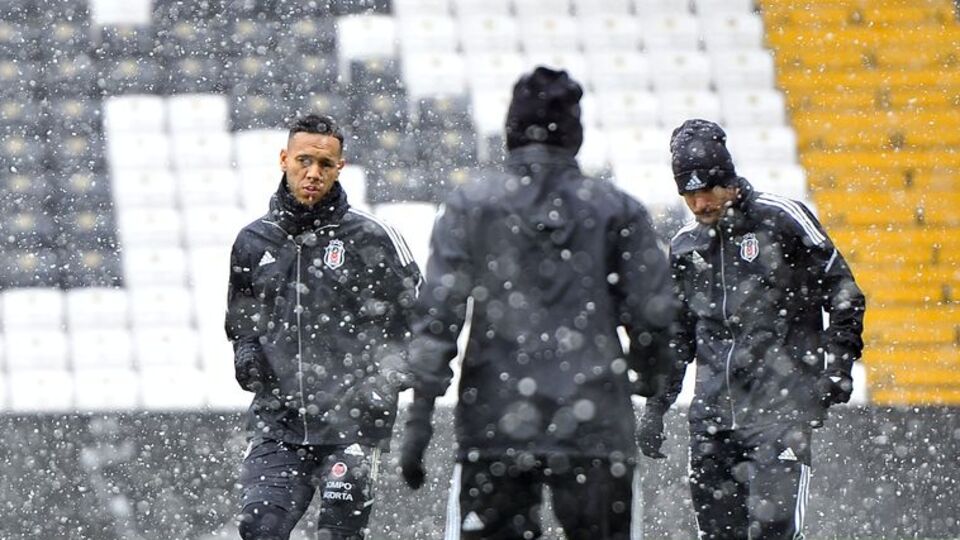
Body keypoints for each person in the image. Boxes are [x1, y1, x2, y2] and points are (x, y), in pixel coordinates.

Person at [398, 67, 679, 540]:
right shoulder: (616, 208)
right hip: (594, 419)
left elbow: (440, 314)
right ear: (575, 134)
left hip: (495, 417)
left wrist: (420, 417)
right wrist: (649, 375)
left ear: (510, 129)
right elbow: (654, 315)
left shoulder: (471, 205)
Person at [636, 119, 866, 539]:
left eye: (707, 190)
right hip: (712, 423)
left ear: (728, 179)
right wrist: (656, 406)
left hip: (780, 413)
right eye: (688, 194)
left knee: (774, 532)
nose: (699, 203)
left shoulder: (784, 219)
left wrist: (838, 366)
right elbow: (678, 337)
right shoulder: (685, 247)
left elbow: (844, 293)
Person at [224, 114, 421, 540]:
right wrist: (247, 354)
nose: (313, 172)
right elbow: (241, 321)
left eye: (325, 164)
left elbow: (423, 326)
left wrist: (384, 382)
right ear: (284, 160)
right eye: (304, 161)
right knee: (259, 526)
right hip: (278, 422)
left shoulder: (372, 238)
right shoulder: (253, 241)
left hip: (353, 424)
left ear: (340, 167)